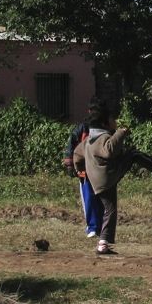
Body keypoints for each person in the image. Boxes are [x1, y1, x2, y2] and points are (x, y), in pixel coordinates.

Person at [73, 104, 152, 255]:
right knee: (134, 155)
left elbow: (77, 154)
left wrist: (79, 170)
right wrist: (121, 133)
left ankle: (103, 244)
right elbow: (108, 151)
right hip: (108, 176)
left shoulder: (88, 140)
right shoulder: (102, 138)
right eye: (112, 119)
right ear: (105, 123)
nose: (115, 121)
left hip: (99, 180)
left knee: (109, 210)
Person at [62, 98, 104, 238]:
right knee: (87, 195)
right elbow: (72, 144)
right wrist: (69, 163)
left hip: (99, 168)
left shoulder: (105, 127)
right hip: (82, 168)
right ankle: (92, 227)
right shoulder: (82, 127)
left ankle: (100, 225)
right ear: (90, 111)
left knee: (101, 197)